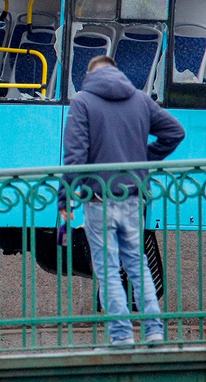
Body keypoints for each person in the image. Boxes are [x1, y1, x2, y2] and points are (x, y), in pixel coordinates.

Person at [59, 55, 185, 346]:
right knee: (137, 264)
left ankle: (121, 335)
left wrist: (65, 198)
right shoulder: (140, 99)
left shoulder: (83, 102)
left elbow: (75, 155)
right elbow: (175, 132)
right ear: (116, 70)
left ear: (90, 75)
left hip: (98, 199)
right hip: (133, 197)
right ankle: (154, 330)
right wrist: (141, 160)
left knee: (107, 268)